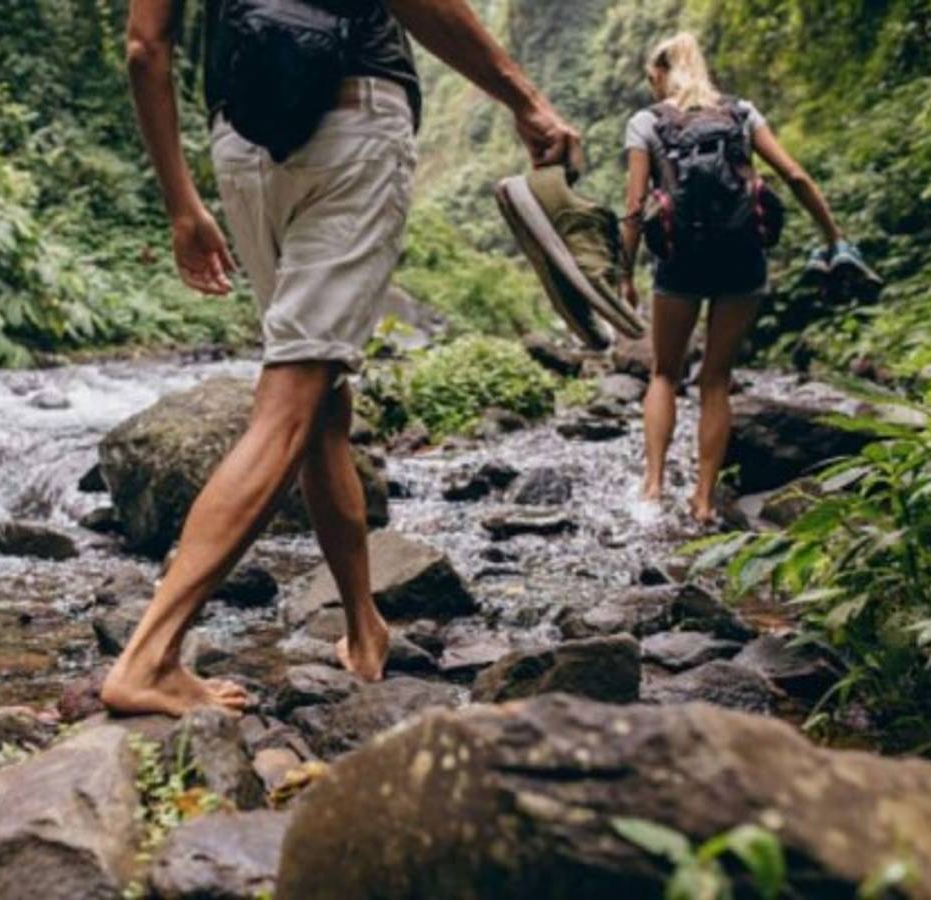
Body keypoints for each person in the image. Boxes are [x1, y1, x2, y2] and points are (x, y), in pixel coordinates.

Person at [102, 0, 581, 717]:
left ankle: (363, 628)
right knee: (292, 400)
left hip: (242, 139)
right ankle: (150, 656)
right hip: (351, 119)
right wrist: (526, 101)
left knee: (320, 400)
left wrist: (180, 203)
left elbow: (146, 47)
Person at [620, 32, 873, 523]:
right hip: (742, 258)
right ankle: (701, 501)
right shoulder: (741, 113)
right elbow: (796, 177)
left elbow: (633, 209)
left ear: (658, 73)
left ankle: (652, 489)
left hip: (680, 261)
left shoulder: (646, 122)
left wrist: (623, 276)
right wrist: (835, 239)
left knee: (664, 374)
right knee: (716, 380)